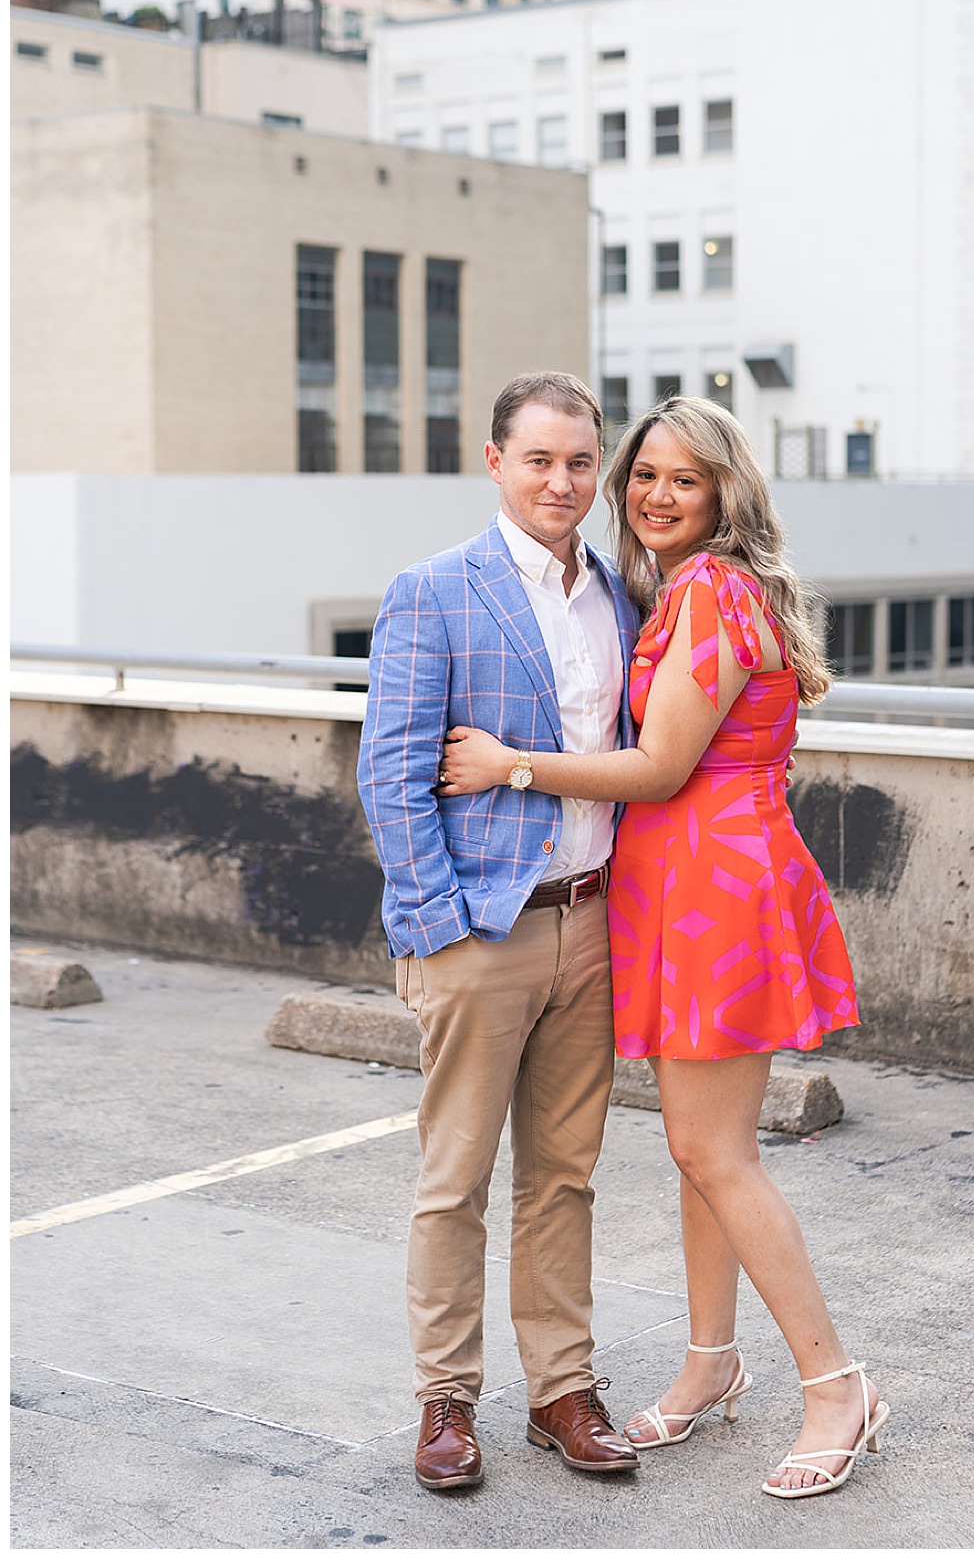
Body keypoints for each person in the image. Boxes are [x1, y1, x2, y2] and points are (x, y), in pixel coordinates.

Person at [439, 395, 889, 1502]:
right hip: (696, 884)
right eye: (643, 475)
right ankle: (708, 1363)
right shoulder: (687, 590)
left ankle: (837, 1388)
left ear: (724, 490)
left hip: (712, 890)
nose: (653, 495)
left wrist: (511, 764)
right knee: (701, 1150)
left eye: (682, 479)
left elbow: (661, 768)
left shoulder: (709, 592)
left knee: (716, 1155)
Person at [357, 373, 642, 1492]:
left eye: (581, 462)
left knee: (563, 1177)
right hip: (481, 931)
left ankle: (562, 1389)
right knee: (455, 1179)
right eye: (539, 460)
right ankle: (446, 1399)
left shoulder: (618, 597)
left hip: (592, 923)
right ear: (495, 461)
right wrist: (436, 930)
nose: (562, 482)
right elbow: (392, 774)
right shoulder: (433, 591)